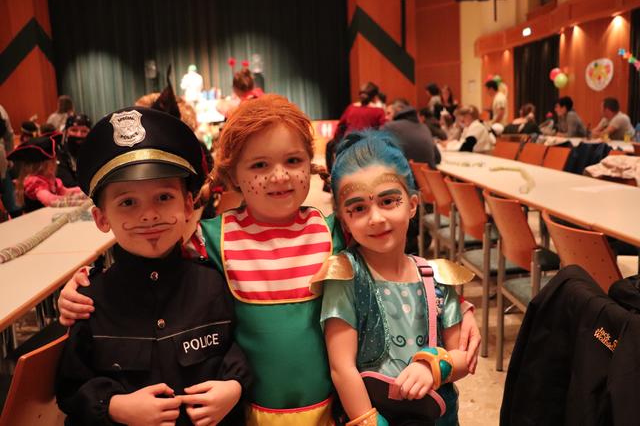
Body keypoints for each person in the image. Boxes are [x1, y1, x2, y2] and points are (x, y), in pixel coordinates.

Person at [57, 95, 481, 425]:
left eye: (293, 161)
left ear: (311, 165)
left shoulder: (335, 229)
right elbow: (156, 269)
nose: (279, 176)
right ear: (232, 175)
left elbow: (390, 261)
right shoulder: (210, 238)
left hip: (331, 408)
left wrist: (455, 306)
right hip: (246, 410)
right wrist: (81, 285)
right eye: (259, 164)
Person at [55, 106, 252, 425]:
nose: (148, 215)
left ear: (188, 204)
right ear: (101, 218)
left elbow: (239, 347)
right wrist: (114, 406)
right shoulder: (90, 302)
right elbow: (70, 389)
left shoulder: (214, 283)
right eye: (127, 202)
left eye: (163, 197)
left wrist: (234, 386)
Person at [314, 131, 471, 425]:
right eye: (358, 208)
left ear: (412, 205)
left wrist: (436, 365)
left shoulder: (437, 277)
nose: (375, 218)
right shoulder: (347, 275)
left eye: (388, 201)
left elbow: (464, 356)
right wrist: (368, 420)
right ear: (343, 217)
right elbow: (341, 367)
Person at [7, 133, 86, 212]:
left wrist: (85, 191)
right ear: (42, 166)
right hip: (36, 220)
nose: (56, 164)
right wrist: (79, 202)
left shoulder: (49, 178)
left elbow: (65, 191)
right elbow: (50, 200)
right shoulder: (34, 182)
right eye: (53, 162)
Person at [384, 100, 441, 170]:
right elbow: (438, 157)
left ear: (398, 112)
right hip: (427, 178)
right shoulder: (424, 127)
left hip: (405, 179)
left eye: (388, 113)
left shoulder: (389, 127)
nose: (385, 117)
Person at [56, 114, 91, 188]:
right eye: (74, 130)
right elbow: (67, 183)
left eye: (84, 131)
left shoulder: (96, 153)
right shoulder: (59, 153)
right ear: (66, 132)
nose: (79, 135)